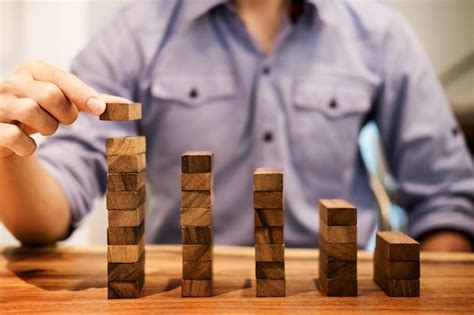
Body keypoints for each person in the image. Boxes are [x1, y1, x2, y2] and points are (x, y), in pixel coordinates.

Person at [0, 0, 472, 251]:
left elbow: (447, 198)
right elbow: (53, 206)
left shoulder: (380, 34)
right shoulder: (133, 33)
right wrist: (9, 154)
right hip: (182, 291)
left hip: (339, 288)